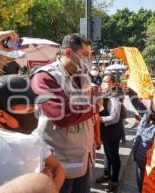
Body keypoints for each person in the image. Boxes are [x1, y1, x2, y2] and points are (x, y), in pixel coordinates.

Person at [30, 33, 102, 193]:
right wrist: (94, 105)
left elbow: (88, 113)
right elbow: (61, 115)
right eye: (85, 54)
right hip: (60, 165)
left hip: (85, 160)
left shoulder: (83, 76)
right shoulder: (44, 76)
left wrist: (96, 134)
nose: (89, 59)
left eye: (90, 55)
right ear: (68, 52)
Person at [0, 75, 65, 191]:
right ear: (1, 116)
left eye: (34, 108)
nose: (34, 115)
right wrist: (42, 181)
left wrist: (49, 187)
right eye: (28, 110)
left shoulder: (32, 138)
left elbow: (58, 168)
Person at [127, 87, 155, 192]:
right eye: (154, 100)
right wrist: (130, 90)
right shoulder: (147, 115)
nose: (154, 102)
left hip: (151, 170)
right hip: (139, 165)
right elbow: (136, 102)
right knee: (140, 188)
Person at [95, 73, 124, 192]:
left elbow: (115, 117)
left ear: (113, 83)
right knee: (107, 155)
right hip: (106, 131)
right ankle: (107, 174)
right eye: (103, 81)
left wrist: (99, 119)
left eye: (106, 81)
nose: (104, 83)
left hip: (113, 132)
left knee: (114, 157)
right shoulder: (106, 94)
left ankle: (115, 180)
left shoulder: (114, 96)